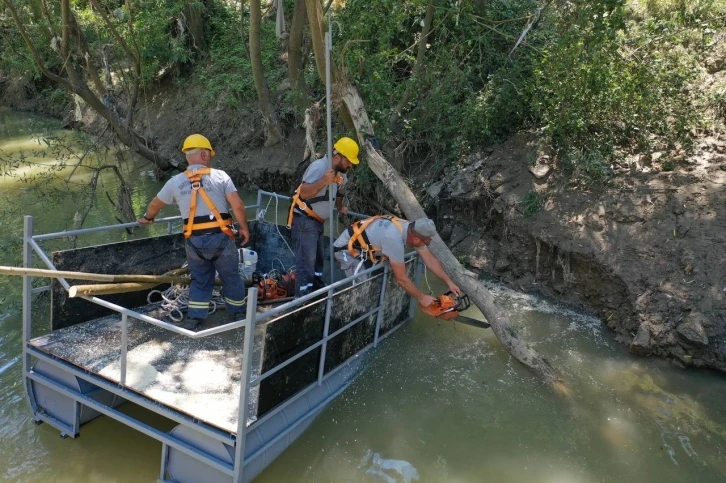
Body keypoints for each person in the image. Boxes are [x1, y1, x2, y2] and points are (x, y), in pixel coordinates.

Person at [138, 134, 250, 330]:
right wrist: (244, 228)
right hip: (221, 239)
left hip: (194, 242)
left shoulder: (175, 182)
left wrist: (148, 218)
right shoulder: (221, 176)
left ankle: (194, 318)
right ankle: (239, 314)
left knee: (200, 280)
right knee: (231, 277)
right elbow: (238, 206)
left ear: (188, 157)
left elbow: (156, 203)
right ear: (205, 155)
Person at [333, 216, 461, 308]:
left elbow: (430, 261)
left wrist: (449, 282)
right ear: (416, 239)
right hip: (347, 250)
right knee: (360, 290)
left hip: (368, 250)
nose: (427, 244)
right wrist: (421, 298)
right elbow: (402, 279)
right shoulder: (394, 238)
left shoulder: (409, 228)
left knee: (381, 279)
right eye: (427, 242)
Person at [287, 137, 359, 297]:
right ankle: (302, 299)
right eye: (349, 161)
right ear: (338, 156)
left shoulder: (341, 173)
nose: (350, 165)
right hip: (305, 221)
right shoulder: (319, 167)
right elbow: (304, 192)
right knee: (306, 262)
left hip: (318, 223)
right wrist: (323, 181)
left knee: (317, 259)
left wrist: (340, 207)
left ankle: (317, 290)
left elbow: (339, 191)